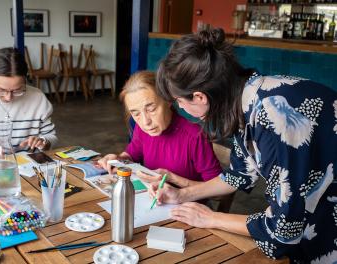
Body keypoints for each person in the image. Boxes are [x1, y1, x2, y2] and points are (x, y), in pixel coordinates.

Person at [153, 28, 337, 263]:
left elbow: (282, 231)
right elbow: (238, 175)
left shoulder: (272, 118)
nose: (181, 109)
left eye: (180, 102)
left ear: (199, 97)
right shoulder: (245, 98)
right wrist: (181, 195)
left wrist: (211, 218)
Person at [97, 71, 222, 187]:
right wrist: (117, 159)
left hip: (185, 207)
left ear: (167, 100)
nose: (146, 122)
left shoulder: (195, 136)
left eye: (151, 109)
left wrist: (173, 179)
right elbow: (131, 155)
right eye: (136, 114)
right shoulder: (142, 130)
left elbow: (218, 191)